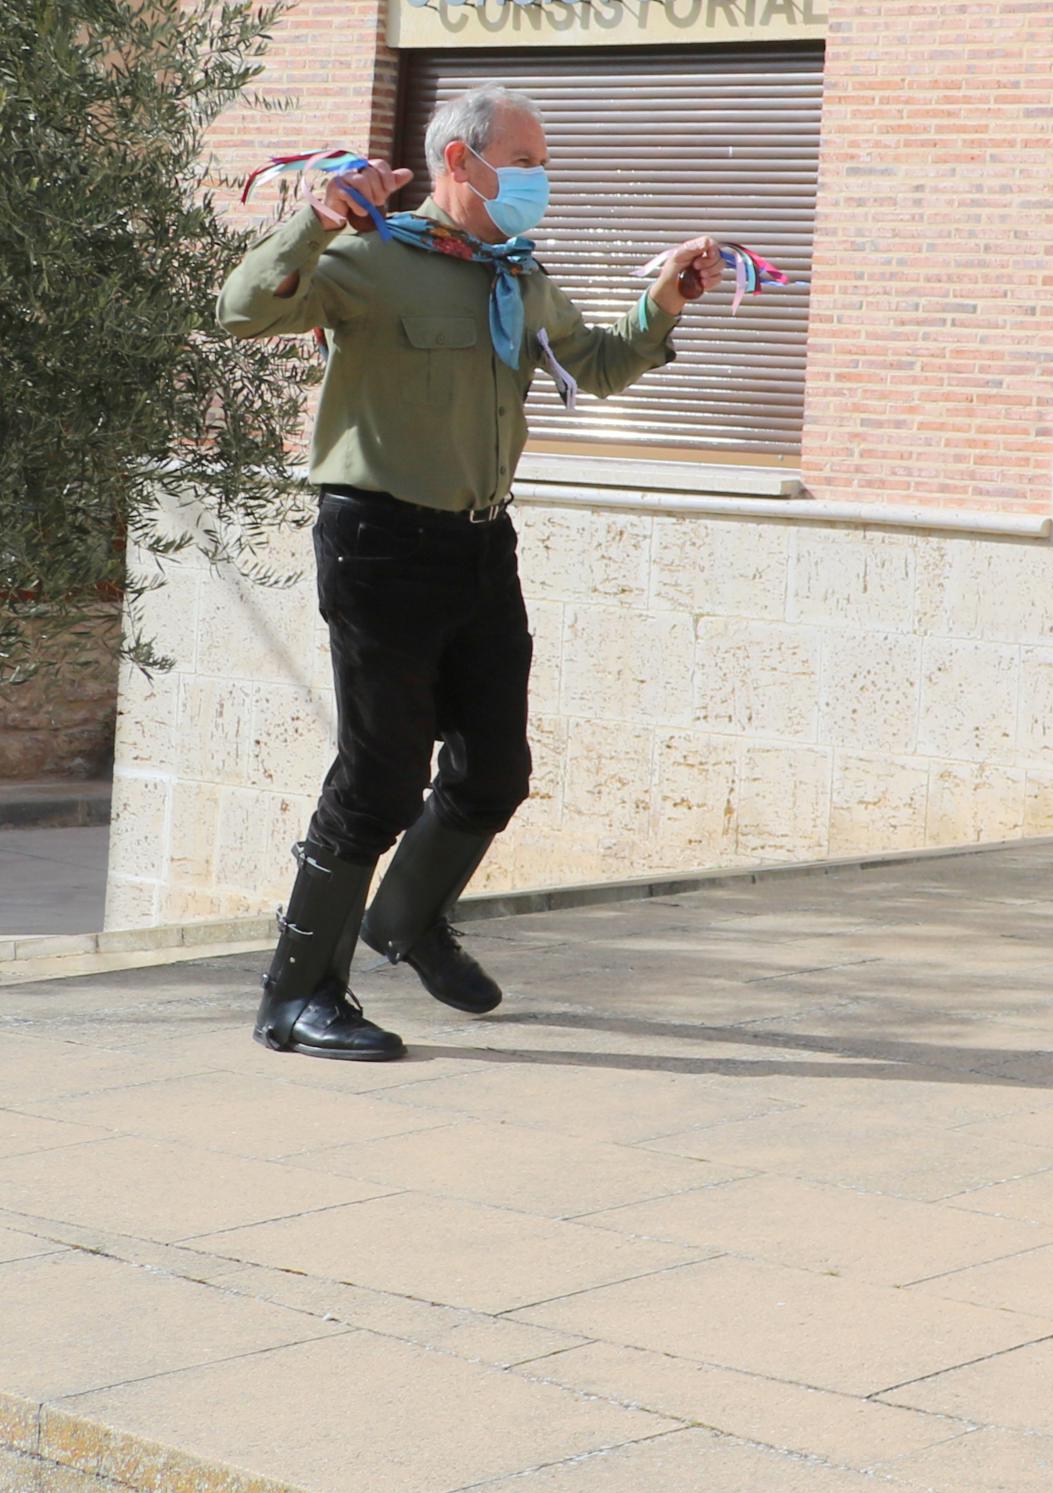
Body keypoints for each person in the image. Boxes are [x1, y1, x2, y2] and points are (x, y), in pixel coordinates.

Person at [215, 86, 724, 1061]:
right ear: (459, 163)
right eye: (525, 159)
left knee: (495, 771)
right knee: (381, 778)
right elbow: (241, 312)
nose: (542, 177)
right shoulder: (370, 259)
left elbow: (599, 364)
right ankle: (297, 995)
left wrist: (662, 300)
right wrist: (315, 221)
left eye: (543, 160)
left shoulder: (514, 278)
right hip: (378, 543)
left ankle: (404, 919)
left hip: (479, 547)